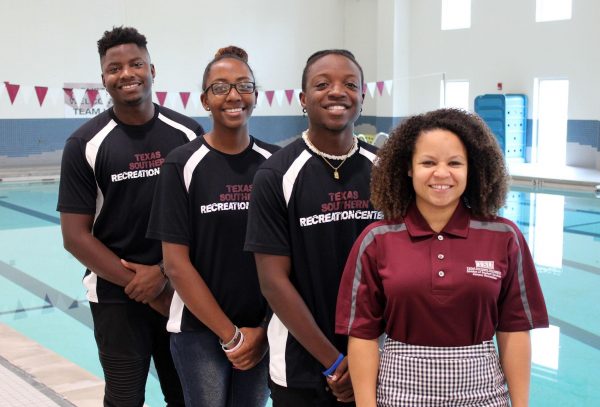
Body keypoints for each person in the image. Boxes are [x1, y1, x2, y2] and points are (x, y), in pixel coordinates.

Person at [336, 108, 549, 407]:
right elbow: (362, 336)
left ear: (471, 168)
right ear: (408, 167)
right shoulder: (376, 240)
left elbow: (513, 331)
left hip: (483, 395)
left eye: (454, 163)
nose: (441, 173)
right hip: (399, 394)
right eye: (427, 162)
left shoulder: (504, 236)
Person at [57, 26, 203, 407]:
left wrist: (163, 274)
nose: (126, 74)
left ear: (153, 70)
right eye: (114, 67)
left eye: (136, 63)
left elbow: (204, 217)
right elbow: (75, 236)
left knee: (187, 396)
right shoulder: (84, 144)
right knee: (123, 397)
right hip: (115, 295)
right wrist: (138, 283)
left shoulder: (187, 134)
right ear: (103, 79)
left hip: (182, 288)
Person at [244, 49, 382, 407]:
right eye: (323, 84)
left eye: (349, 84)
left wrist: (366, 356)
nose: (337, 91)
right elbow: (273, 282)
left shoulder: (383, 171)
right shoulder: (275, 175)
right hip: (300, 366)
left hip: (378, 359)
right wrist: (335, 363)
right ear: (303, 99)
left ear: (362, 98)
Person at [146, 46, 278, 407]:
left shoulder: (274, 164)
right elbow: (175, 264)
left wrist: (263, 330)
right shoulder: (182, 164)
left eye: (243, 85)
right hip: (198, 331)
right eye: (220, 87)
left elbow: (286, 257)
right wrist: (231, 337)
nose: (233, 95)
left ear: (255, 95)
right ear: (205, 100)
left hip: (261, 328)